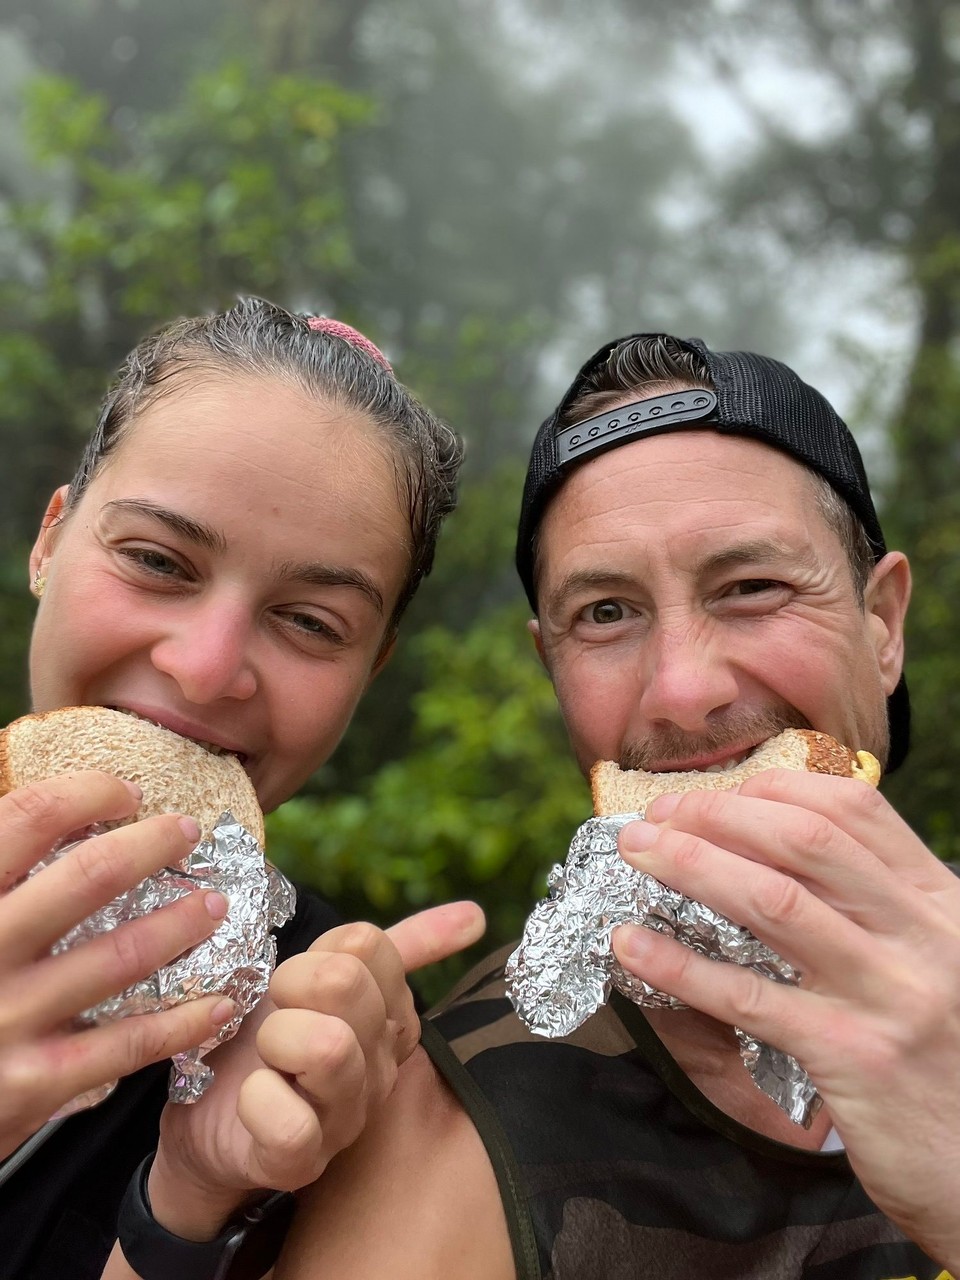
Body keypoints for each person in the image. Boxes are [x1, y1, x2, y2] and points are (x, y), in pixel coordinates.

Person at [273, 332, 960, 1280]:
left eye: (752, 587)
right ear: (549, 665)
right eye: (605, 612)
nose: (683, 691)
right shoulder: (456, 1116)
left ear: (882, 627)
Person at [0, 296, 484, 1280]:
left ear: (370, 672)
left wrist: (187, 1201)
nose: (206, 667)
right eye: (155, 559)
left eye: (310, 621)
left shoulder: (327, 1044)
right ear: (50, 538)